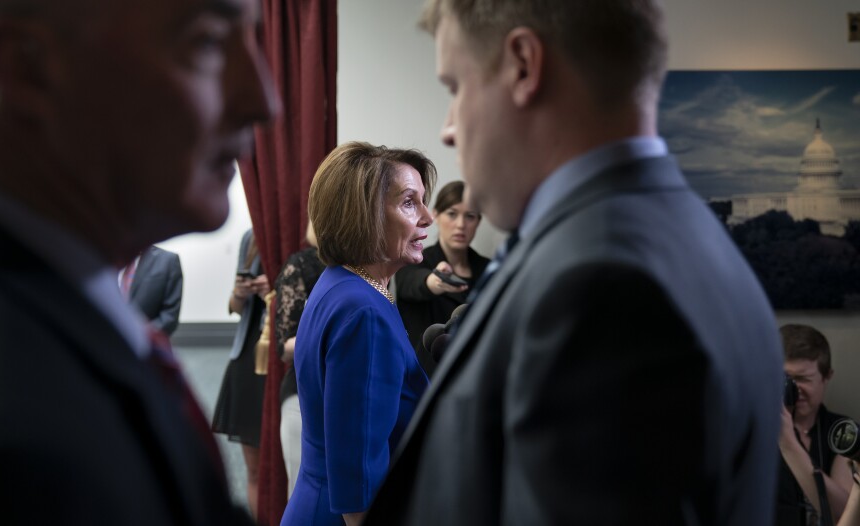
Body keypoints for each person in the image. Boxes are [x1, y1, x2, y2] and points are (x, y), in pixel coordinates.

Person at [364, 1, 784, 525]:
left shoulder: (601, 287)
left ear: (522, 65)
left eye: (455, 88)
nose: (449, 128)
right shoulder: (681, 239)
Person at [0, 0, 276, 523]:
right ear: (28, 64)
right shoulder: (15, 427)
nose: (265, 101)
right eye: (206, 42)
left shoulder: (62, 320)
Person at [280, 141, 435, 526]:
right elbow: (358, 480)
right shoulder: (364, 311)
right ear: (365, 215)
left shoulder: (343, 283)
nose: (428, 218)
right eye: (410, 202)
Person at [395, 180, 489, 374]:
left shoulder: (490, 268)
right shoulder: (415, 260)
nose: (461, 225)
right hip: (426, 379)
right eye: (452, 214)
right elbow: (412, 284)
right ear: (436, 215)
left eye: (470, 216)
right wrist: (435, 281)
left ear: (479, 221)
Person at [211, 229, 270, 518]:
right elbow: (234, 308)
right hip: (247, 358)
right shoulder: (251, 237)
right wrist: (240, 292)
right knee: (255, 468)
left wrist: (278, 289)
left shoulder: (304, 230)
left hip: (283, 359)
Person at [778, 324, 854, 525]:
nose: (794, 389)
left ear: (827, 376)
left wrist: (788, 443)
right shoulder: (754, 429)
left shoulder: (842, 431)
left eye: (803, 379)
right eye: (786, 379)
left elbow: (847, 516)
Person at [274, 222, 326, 498]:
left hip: (351, 394)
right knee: (304, 494)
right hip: (305, 392)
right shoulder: (301, 265)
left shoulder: (369, 269)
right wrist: (328, 335)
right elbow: (284, 346)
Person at [121, 245, 184, 337]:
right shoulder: (102, 258)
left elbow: (169, 316)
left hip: (145, 344)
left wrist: (138, 336)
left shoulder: (168, 260)